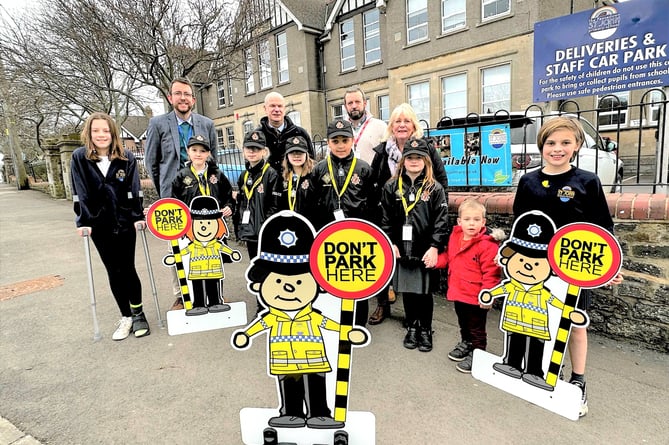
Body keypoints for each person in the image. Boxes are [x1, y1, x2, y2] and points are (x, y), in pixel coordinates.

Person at [512, 116, 624, 416]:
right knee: (541, 321)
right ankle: (549, 372)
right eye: (551, 143)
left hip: (575, 269)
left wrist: (609, 267)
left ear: (576, 146)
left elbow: (603, 227)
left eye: (565, 142)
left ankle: (578, 380)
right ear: (542, 146)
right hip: (536, 267)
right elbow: (519, 225)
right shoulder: (528, 181)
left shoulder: (587, 181)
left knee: (575, 324)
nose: (557, 149)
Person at [232, 211, 368, 430]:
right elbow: (261, 323)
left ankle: (320, 414)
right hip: (284, 359)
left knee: (316, 384)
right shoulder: (273, 316)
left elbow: (328, 324)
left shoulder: (311, 315)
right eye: (277, 279)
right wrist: (246, 334)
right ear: (259, 284)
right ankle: (291, 413)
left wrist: (347, 332)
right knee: (289, 386)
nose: (289, 288)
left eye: (300, 280)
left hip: (313, 358)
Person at [368, 103, 449, 325]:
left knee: (416, 275)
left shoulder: (427, 149)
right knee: (389, 266)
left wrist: (436, 226)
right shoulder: (383, 151)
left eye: (406, 120)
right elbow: (375, 185)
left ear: (414, 124)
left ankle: (418, 322)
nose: (402, 125)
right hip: (393, 219)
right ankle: (384, 305)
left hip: (421, 221)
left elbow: (441, 182)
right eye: (397, 121)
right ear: (391, 126)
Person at [71, 112, 149, 340]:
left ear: (112, 133)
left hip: (124, 221)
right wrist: (82, 221)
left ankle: (138, 314)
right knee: (113, 270)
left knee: (128, 268)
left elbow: (135, 189)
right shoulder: (79, 158)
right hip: (98, 223)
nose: (101, 135)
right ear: (89, 133)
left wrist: (137, 215)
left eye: (105, 130)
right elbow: (79, 192)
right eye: (96, 131)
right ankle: (125, 316)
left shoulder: (125, 157)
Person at [144, 77, 218, 311]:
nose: (183, 98)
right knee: (176, 247)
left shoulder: (206, 124)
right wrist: (165, 191)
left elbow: (214, 159)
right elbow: (151, 162)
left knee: (206, 242)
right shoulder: (158, 124)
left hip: (201, 194)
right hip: (173, 198)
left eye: (187, 94)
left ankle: (210, 292)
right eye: (178, 94)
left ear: (193, 99)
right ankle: (180, 294)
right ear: (170, 97)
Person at [380, 138, 449, 352]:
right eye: (410, 157)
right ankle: (412, 326)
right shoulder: (392, 186)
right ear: (403, 160)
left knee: (424, 292)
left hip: (425, 248)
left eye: (419, 157)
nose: (414, 161)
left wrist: (435, 246)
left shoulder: (434, 188)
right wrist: (391, 242)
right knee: (409, 291)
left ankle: (426, 329)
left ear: (426, 161)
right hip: (401, 247)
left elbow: (441, 220)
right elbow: (385, 218)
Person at [311, 118, 375, 325]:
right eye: (335, 141)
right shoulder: (319, 169)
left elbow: (373, 203)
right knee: (334, 276)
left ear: (353, 140)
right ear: (328, 143)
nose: (340, 145)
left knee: (358, 276)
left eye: (344, 140)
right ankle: (337, 319)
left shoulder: (364, 169)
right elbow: (314, 201)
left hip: (358, 234)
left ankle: (358, 322)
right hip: (329, 233)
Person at [169, 135, 238, 315]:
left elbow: (228, 195)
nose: (198, 154)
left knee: (214, 262)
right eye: (194, 150)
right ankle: (196, 301)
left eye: (202, 151)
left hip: (214, 226)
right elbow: (174, 203)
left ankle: (216, 298)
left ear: (208, 153)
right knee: (195, 264)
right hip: (192, 228)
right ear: (188, 152)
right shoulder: (180, 177)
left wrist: (229, 207)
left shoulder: (217, 175)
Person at [435, 198, 504, 372]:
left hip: (476, 295)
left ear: (483, 222)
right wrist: (436, 261)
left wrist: (487, 295)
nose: (471, 224)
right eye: (467, 220)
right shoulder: (455, 236)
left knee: (477, 327)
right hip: (458, 290)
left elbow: (491, 273)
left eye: (476, 220)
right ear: (459, 221)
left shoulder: (488, 245)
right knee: (463, 322)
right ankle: (466, 343)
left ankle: (478, 352)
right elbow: (450, 256)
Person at [234, 129, 281, 314]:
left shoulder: (271, 175)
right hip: (251, 234)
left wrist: (266, 229)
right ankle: (261, 307)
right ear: (244, 150)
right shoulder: (244, 176)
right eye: (249, 148)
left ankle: (274, 305)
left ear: (264, 151)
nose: (252, 152)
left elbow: (275, 206)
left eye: (257, 148)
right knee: (255, 268)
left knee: (270, 269)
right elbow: (242, 204)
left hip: (265, 234)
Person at [258, 91, 314, 173]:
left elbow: (311, 161)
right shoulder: (258, 135)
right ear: (265, 109)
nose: (277, 110)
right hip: (267, 184)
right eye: (272, 106)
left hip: (294, 183)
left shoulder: (300, 133)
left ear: (284, 109)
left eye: (280, 106)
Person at [343, 86, 387, 165]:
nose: (354, 106)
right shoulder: (339, 130)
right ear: (345, 106)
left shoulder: (381, 127)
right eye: (350, 103)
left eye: (357, 102)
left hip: (372, 176)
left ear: (365, 103)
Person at [278, 135, 316, 221]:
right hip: (289, 226)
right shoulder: (282, 178)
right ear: (287, 156)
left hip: (310, 225)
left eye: (300, 152)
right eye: (292, 153)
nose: (296, 156)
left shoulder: (314, 176)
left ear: (306, 154)